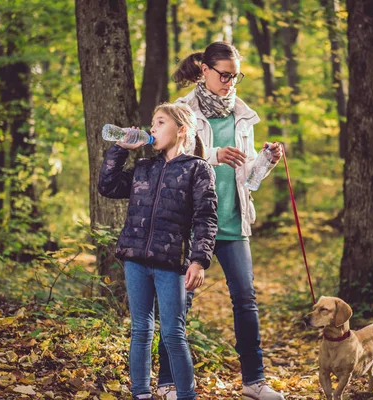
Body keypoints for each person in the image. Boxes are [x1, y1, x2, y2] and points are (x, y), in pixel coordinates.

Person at [156, 42, 285, 400]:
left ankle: (254, 382)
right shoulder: (181, 110)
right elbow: (171, 155)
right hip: (191, 224)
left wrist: (267, 159)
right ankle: (168, 383)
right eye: (224, 74)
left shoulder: (243, 115)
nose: (230, 82)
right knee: (180, 303)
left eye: (235, 75)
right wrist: (213, 154)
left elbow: (249, 178)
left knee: (245, 300)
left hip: (233, 221)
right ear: (204, 70)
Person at [98, 103, 218, 400]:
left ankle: (186, 395)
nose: (152, 129)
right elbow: (107, 186)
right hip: (135, 259)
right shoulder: (143, 167)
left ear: (181, 130)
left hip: (171, 263)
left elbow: (206, 217)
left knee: (173, 333)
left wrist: (199, 261)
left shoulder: (197, 168)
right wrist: (120, 149)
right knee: (141, 329)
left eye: (160, 122)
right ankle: (141, 393)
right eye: (152, 123)